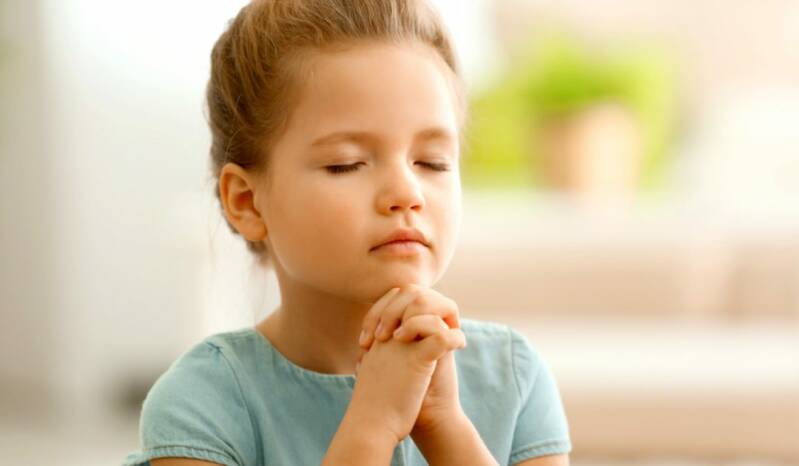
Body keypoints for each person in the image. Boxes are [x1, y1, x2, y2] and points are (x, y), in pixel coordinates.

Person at [122, 1, 572, 465]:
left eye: (431, 162)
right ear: (247, 201)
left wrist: (443, 424)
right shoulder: (202, 405)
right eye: (346, 164)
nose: (406, 192)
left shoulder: (514, 377)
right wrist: (373, 423)